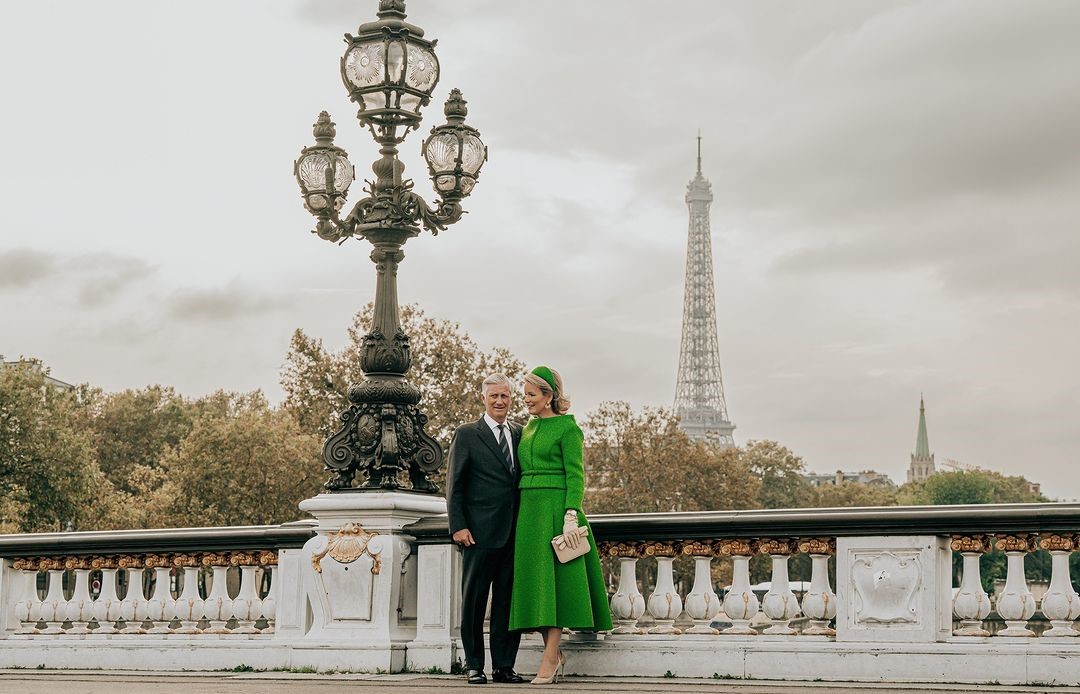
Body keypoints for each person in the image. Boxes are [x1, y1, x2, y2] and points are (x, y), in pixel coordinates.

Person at [509, 366, 612, 685]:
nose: (525, 400)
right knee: (537, 584)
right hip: (529, 511)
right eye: (524, 394)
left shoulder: (569, 428)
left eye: (530, 394)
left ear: (549, 395)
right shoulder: (527, 428)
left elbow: (576, 475)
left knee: (554, 584)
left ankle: (551, 656)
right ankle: (552, 653)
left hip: (556, 511)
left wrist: (571, 513)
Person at [446, 373, 526, 685]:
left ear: (511, 398)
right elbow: (455, 484)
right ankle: (474, 666)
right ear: (484, 398)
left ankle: (504, 667)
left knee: (508, 603)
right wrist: (458, 526)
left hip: (513, 533)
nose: (499, 401)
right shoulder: (467, 434)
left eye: (504, 396)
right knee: (474, 602)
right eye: (493, 396)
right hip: (477, 533)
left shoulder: (521, 433)